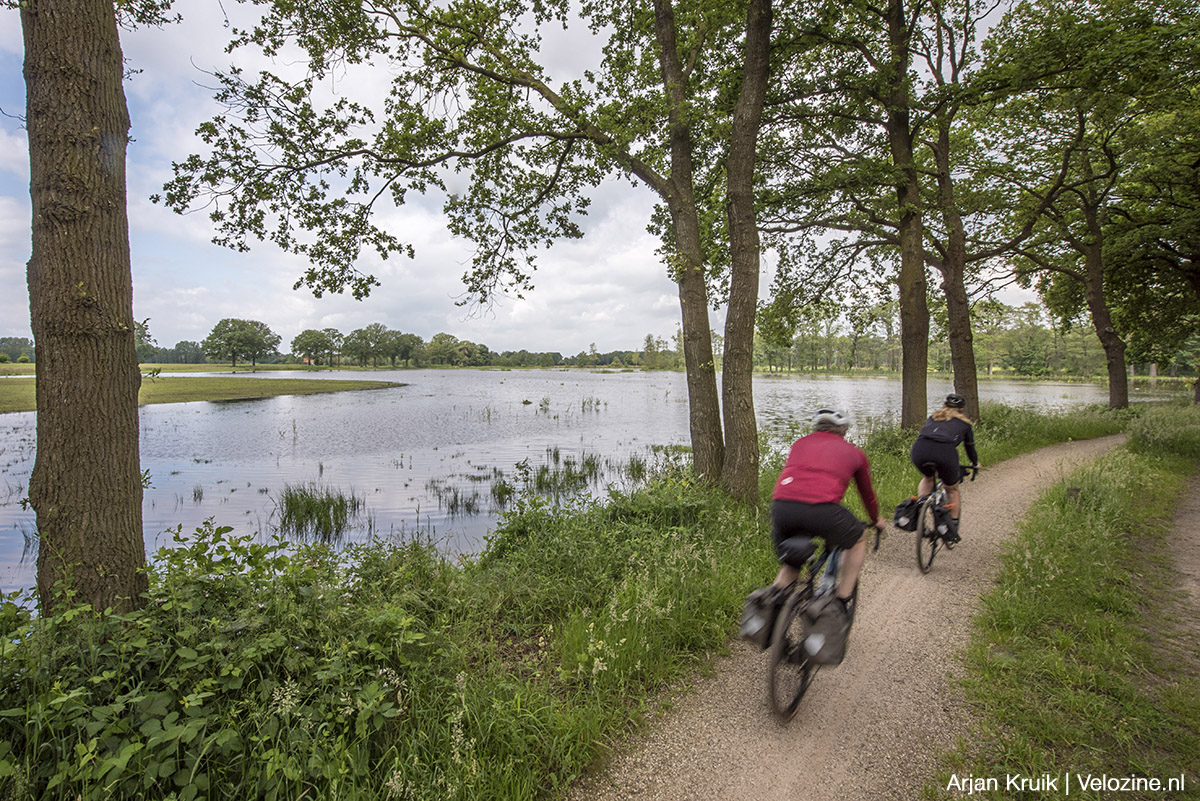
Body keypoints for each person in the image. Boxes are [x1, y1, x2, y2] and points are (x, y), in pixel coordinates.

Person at [766, 408, 887, 613]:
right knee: (859, 537)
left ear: (817, 427)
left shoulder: (799, 444)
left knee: (792, 563)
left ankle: (772, 608)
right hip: (822, 510)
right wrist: (876, 519)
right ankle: (841, 600)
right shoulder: (854, 452)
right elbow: (867, 495)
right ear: (843, 430)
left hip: (782, 508)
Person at [909, 393, 981, 541]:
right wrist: (974, 463)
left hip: (919, 450)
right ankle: (950, 529)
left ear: (944, 406)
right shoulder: (965, 425)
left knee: (928, 476)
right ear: (961, 410)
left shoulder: (933, 417)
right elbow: (970, 449)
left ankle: (922, 504)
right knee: (952, 489)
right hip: (945, 452)